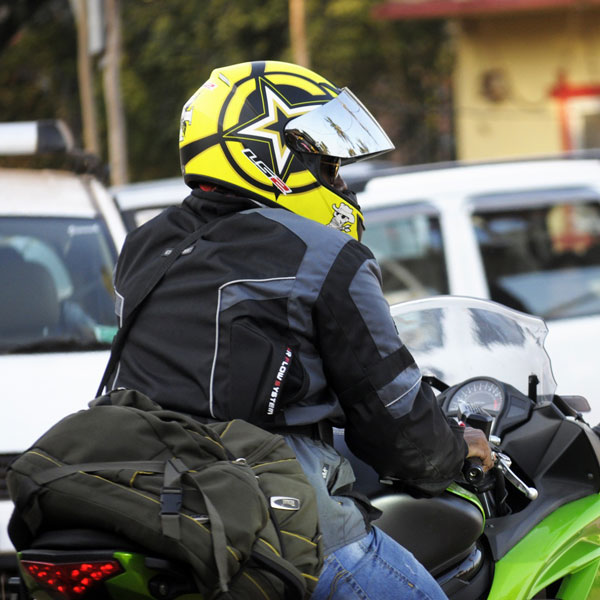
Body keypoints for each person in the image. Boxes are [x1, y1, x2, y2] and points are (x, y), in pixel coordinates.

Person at [106, 60, 493, 599]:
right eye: (327, 165)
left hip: (146, 505)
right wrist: (460, 449)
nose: (339, 183)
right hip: (278, 524)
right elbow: (403, 436)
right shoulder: (328, 258)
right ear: (268, 156)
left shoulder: (144, 245)